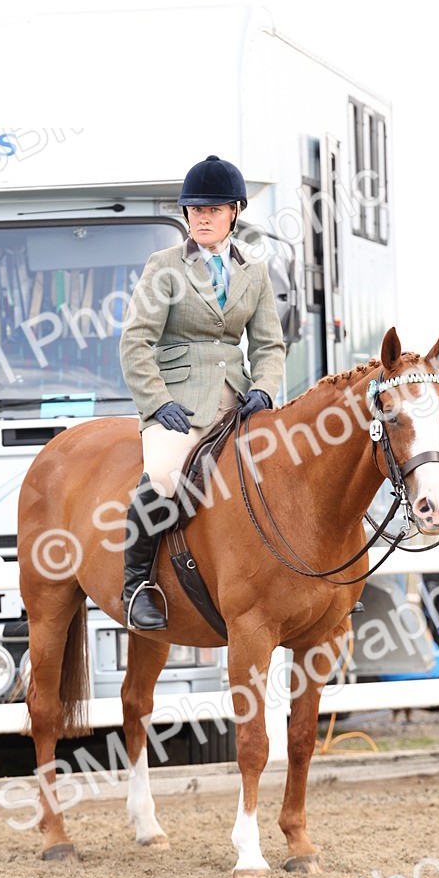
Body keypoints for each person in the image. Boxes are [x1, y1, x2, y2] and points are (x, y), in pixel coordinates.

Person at [119, 154, 286, 631]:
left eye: (213, 210)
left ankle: (310, 581)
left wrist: (264, 389)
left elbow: (270, 345)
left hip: (239, 401)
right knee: (163, 477)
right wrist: (158, 402)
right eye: (195, 210)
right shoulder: (164, 266)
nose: (203, 218)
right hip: (178, 404)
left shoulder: (254, 271)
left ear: (235, 212)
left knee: (291, 468)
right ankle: (136, 586)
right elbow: (135, 342)